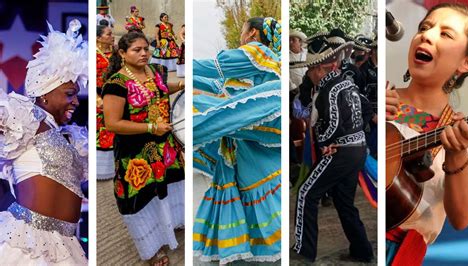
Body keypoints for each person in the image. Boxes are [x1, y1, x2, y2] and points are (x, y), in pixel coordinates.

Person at [385, 3, 468, 265]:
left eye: (446, 34)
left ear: (467, 62)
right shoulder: (377, 97)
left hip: (400, 255)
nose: (427, 34)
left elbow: (462, 219)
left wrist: (456, 155)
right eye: (424, 27)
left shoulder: (463, 136)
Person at [193, 17, 282, 264]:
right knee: (252, 181)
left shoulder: (258, 51)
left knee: (198, 110)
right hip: (249, 141)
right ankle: (253, 245)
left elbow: (214, 67)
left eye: (243, 30)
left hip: (255, 125)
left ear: (253, 33)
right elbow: (218, 85)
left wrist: (171, 68)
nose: (241, 36)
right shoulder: (263, 63)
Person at [0, 20, 88, 264]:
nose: (76, 101)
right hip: (28, 242)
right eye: (69, 94)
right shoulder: (24, 116)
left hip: (66, 244)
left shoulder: (69, 136)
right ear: (44, 95)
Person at [102, 31, 185, 266]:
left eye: (146, 48)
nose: (143, 53)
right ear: (122, 53)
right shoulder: (116, 84)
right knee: (144, 197)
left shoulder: (155, 70)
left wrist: (182, 85)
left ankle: (172, 225)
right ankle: (152, 248)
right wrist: (150, 127)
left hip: (164, 145)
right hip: (135, 153)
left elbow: (159, 88)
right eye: (136, 50)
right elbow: (113, 123)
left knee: (170, 184)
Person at [292, 32, 374, 263]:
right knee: (343, 202)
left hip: (340, 152)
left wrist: (327, 143)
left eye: (310, 70)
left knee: (306, 193)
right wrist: (356, 131)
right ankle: (363, 251)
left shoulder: (328, 90)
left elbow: (333, 124)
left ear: (320, 69)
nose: (309, 74)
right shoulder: (347, 83)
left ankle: (303, 253)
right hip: (356, 150)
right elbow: (366, 109)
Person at [96, 25, 115, 180]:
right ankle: (101, 170)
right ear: (98, 38)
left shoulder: (115, 53)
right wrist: (98, 99)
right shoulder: (94, 55)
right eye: (109, 34)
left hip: (115, 96)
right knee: (103, 133)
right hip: (100, 98)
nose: (112, 36)